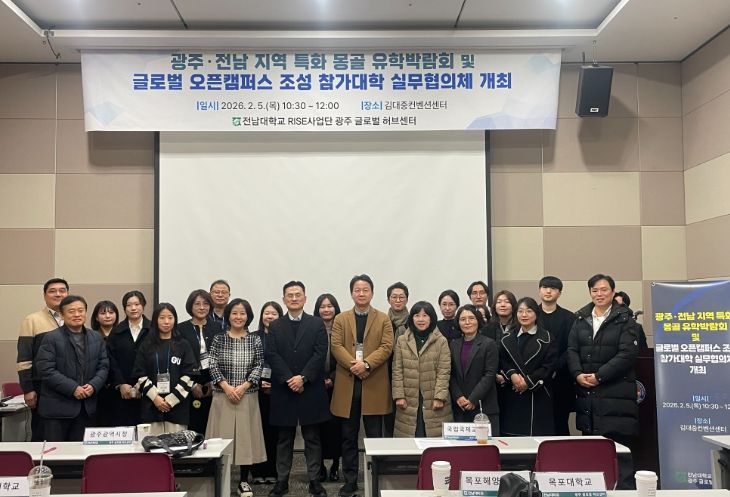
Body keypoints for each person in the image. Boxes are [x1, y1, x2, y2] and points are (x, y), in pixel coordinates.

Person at [567, 274, 640, 489]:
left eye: (604, 290)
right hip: (588, 398)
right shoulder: (580, 319)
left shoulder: (626, 320)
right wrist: (577, 374)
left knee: (619, 458)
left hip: (616, 398)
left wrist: (599, 376)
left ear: (613, 292)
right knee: (591, 458)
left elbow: (627, 355)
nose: (599, 294)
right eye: (595, 290)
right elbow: (571, 350)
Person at [331, 274, 393, 497]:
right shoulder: (341, 318)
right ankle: (350, 480)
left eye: (365, 290)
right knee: (348, 436)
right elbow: (336, 346)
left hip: (373, 383)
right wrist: (355, 365)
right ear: (351, 294)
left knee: (375, 436)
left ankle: (377, 475)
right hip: (348, 385)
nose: (361, 293)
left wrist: (366, 364)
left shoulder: (383, 319)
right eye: (357, 290)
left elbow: (386, 346)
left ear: (372, 293)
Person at [266, 282, 329, 497]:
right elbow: (272, 354)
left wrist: (302, 378)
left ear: (305, 298)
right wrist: (289, 379)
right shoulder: (275, 326)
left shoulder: (316, 323)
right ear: (284, 299)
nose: (294, 298)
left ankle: (315, 481)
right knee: (284, 439)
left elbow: (320, 353)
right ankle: (282, 481)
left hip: (310, 388)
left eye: (298, 295)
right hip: (284, 390)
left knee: (312, 437)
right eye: (290, 295)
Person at [207, 298, 266, 497]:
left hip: (246, 396)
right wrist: (226, 386)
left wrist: (244, 386)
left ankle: (243, 481)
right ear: (228, 316)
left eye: (242, 313)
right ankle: (221, 480)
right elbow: (212, 364)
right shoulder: (219, 339)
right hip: (222, 395)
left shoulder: (254, 339)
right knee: (220, 438)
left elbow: (259, 365)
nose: (238, 317)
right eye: (234, 313)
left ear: (248, 316)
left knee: (245, 439)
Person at [35, 295, 109, 441]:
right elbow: (45, 369)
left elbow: (104, 366)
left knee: (82, 452)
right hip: (57, 410)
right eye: (71, 311)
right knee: (56, 452)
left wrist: (94, 385)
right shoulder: (50, 338)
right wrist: (73, 388)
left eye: (81, 310)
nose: (77, 314)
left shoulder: (96, 337)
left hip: (86, 408)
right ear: (62, 315)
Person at [16, 277, 69, 441]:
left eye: (62, 291)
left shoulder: (74, 318)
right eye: (52, 291)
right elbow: (24, 358)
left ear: (68, 294)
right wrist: (28, 389)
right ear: (45, 296)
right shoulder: (32, 320)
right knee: (43, 433)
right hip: (42, 387)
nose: (58, 294)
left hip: (70, 387)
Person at [497, 297, 557, 436]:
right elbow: (502, 361)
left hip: (538, 394)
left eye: (529, 311)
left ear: (536, 313)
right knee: (512, 438)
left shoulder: (547, 337)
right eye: (520, 311)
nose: (524, 315)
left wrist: (528, 381)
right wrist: (512, 375)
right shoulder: (507, 338)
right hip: (513, 393)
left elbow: (549, 366)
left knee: (537, 438)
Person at [133, 303, 196, 435]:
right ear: (156, 320)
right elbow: (140, 374)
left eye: (170, 317)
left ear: (175, 320)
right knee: (153, 446)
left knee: (176, 446)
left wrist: (171, 400)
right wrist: (156, 398)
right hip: (151, 408)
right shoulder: (146, 345)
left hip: (177, 409)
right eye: (162, 318)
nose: (166, 322)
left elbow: (189, 375)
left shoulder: (183, 344)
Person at [392, 301, 452, 437]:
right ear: (411, 318)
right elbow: (397, 370)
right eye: (417, 315)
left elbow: (444, 371)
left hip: (433, 398)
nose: (421, 319)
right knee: (410, 438)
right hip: (409, 398)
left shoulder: (441, 341)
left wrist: (440, 397)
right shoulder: (402, 340)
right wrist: (399, 395)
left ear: (432, 318)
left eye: (425, 316)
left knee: (433, 439)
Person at [536, 276, 577, 436]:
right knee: (537, 422)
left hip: (561, 377)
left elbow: (572, 347)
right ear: (539, 290)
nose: (548, 291)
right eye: (545, 287)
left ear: (559, 293)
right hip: (535, 378)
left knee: (560, 421)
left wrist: (554, 368)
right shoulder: (530, 315)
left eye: (553, 288)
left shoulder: (570, 318)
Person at [449, 304, 500, 433]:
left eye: (471, 318)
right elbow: (450, 374)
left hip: (484, 407)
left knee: (485, 445)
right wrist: (458, 396)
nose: (467, 322)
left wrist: (473, 399)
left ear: (478, 320)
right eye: (463, 319)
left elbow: (489, 375)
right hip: (460, 407)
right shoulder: (453, 345)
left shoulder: (489, 344)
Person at [107, 290, 151, 426]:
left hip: (149, 391)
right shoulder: (116, 331)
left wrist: (142, 385)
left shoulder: (153, 330)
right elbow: (110, 360)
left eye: (137, 304)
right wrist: (120, 384)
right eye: (129, 305)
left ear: (143, 305)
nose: (133, 308)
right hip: (122, 393)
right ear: (124, 308)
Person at [178, 289, 219, 434]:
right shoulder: (180, 329)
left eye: (205, 304)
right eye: (197, 304)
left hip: (214, 379)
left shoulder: (218, 328)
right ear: (190, 306)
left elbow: (222, 358)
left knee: (213, 426)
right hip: (190, 379)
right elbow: (178, 361)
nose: (202, 307)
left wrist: (215, 382)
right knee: (194, 425)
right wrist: (192, 384)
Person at [251, 301, 284, 485]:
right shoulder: (253, 337)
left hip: (278, 390)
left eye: (274, 313)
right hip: (255, 390)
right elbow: (248, 363)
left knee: (274, 433)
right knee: (257, 431)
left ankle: (272, 470)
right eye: (266, 313)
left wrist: (275, 384)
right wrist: (258, 381)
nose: (269, 316)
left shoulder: (285, 337)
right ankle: (257, 471)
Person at [313, 293, 342, 483]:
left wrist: (332, 378)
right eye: (322, 306)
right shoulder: (311, 328)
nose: (326, 310)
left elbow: (346, 357)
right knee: (318, 429)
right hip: (315, 386)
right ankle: (321, 467)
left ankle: (336, 466)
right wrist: (319, 379)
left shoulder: (342, 328)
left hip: (339, 385)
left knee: (336, 428)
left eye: (330, 306)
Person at [384, 281, 409, 437]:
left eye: (402, 297)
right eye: (394, 297)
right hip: (385, 373)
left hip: (408, 374)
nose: (398, 300)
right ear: (388, 300)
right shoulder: (382, 321)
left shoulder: (414, 321)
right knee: (388, 415)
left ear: (407, 299)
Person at [90, 300, 119, 426]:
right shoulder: (90, 336)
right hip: (97, 387)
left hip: (117, 387)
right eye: (103, 313)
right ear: (96, 317)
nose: (107, 316)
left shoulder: (122, 335)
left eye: (111, 312)